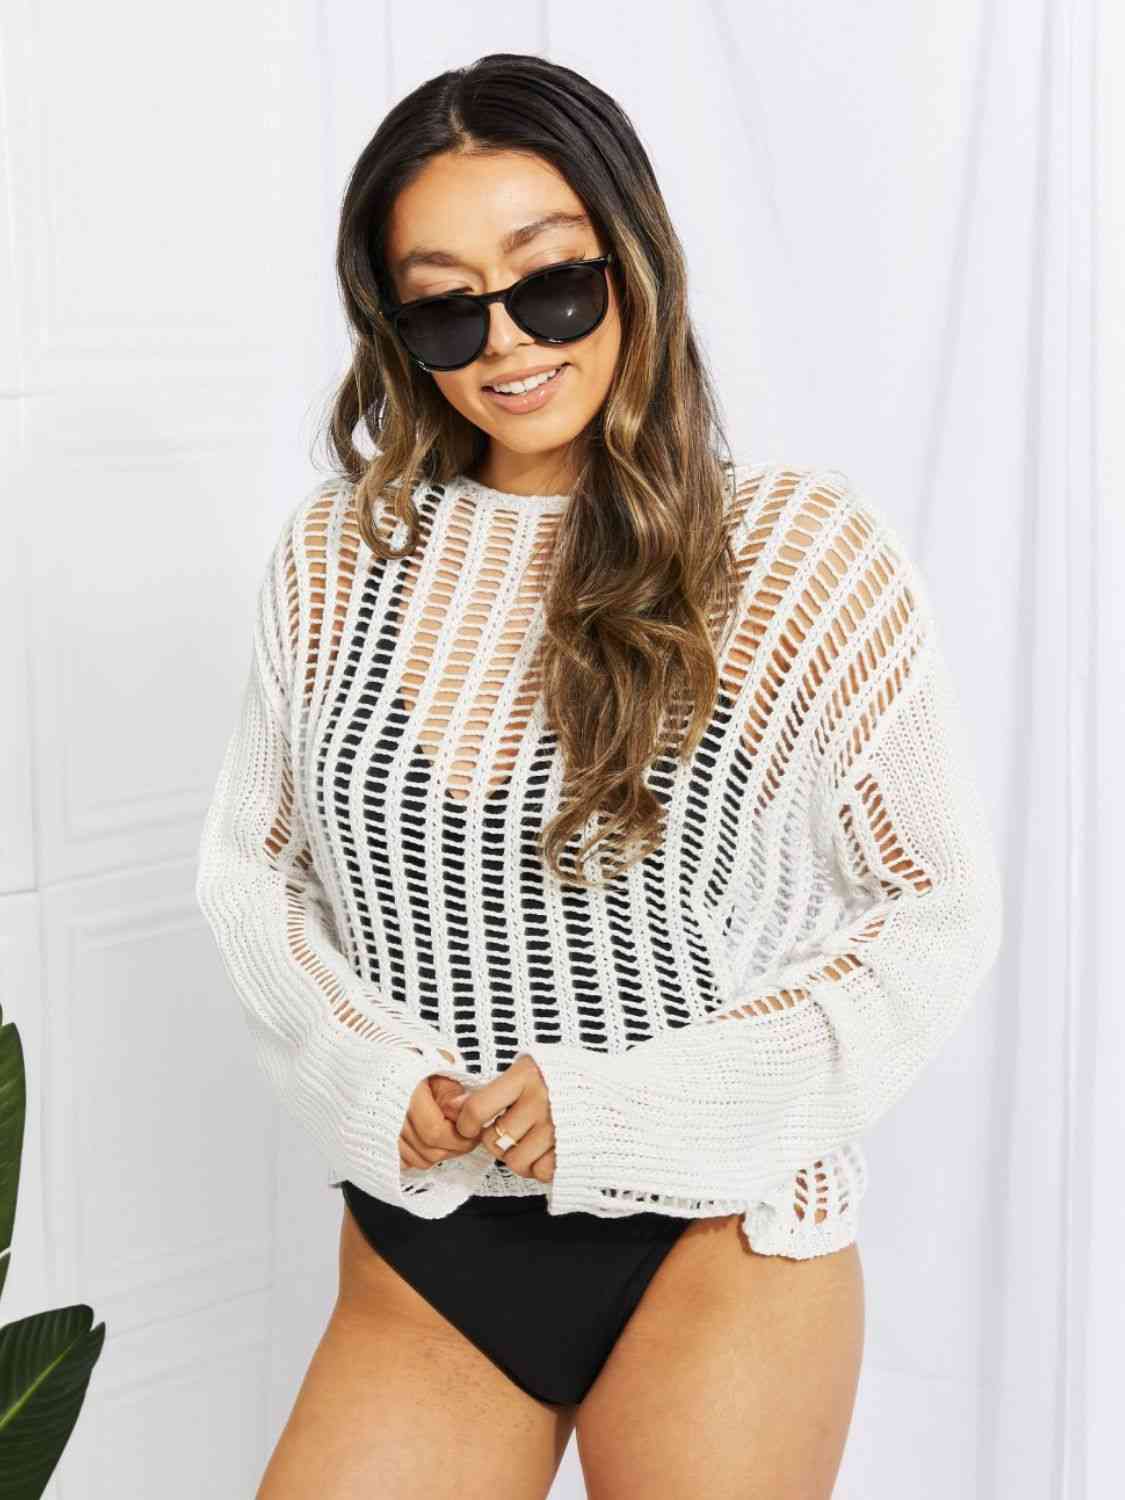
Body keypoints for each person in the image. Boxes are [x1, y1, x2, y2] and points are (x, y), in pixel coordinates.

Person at [195, 51, 1003, 1500]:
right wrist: (370, 1071)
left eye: (551, 282)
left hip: (720, 1223)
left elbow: (933, 906)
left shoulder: (795, 553)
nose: (506, 340)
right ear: (397, 329)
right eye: (446, 304)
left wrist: (629, 1108)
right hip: (434, 1228)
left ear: (632, 261)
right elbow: (252, 869)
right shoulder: (338, 557)